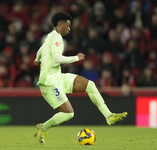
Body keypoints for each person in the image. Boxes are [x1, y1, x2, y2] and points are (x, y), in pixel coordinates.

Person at [34, 12, 127, 144]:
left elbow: (41, 49)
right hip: (49, 83)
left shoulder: (50, 36)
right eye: (67, 26)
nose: (69, 29)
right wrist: (76, 58)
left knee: (90, 85)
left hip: (57, 77)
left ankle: (109, 116)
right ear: (60, 24)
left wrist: (37, 59)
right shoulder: (57, 38)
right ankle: (43, 127)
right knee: (69, 114)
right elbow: (55, 59)